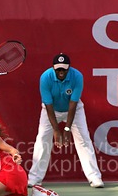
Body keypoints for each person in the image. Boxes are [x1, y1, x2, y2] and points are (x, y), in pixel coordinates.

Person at [28, 53, 104, 188]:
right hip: (51, 111)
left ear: (68, 68)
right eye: (58, 69)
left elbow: (73, 103)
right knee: (42, 139)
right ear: (53, 68)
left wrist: (67, 128)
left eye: (64, 69)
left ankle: (94, 177)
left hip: (74, 110)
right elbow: (48, 105)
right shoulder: (45, 78)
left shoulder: (77, 77)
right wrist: (56, 129)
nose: (61, 72)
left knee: (84, 140)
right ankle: (34, 178)